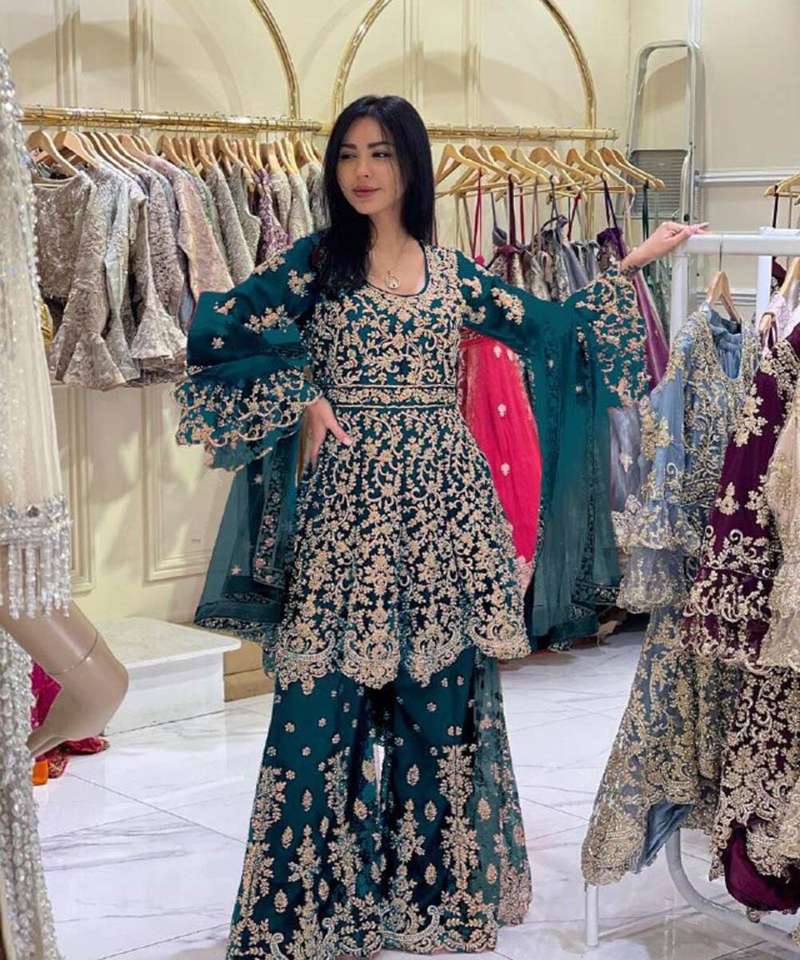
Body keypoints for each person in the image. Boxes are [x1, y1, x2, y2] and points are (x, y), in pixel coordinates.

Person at [175, 94, 705, 959]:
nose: (362, 171)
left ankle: (432, 903)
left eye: (381, 153)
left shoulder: (452, 272)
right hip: (347, 518)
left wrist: (632, 267)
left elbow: (553, 329)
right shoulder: (314, 264)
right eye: (349, 154)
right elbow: (220, 330)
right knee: (318, 709)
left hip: (446, 516)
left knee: (439, 709)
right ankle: (305, 914)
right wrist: (301, 392)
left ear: (411, 166)